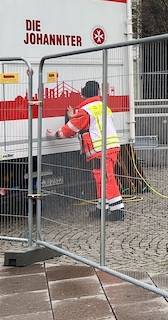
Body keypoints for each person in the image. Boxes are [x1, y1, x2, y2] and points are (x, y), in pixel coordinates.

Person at [47, 80, 125, 220]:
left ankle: (117, 210)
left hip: (101, 149)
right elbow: (91, 124)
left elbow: (71, 130)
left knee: (106, 179)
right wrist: (74, 117)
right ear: (97, 93)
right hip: (110, 147)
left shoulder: (86, 110)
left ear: (83, 94)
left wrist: (55, 135)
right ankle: (101, 209)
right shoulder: (102, 106)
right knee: (101, 179)